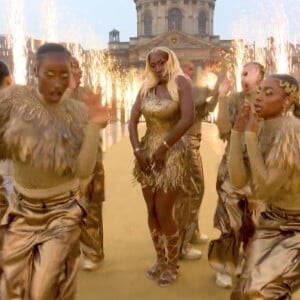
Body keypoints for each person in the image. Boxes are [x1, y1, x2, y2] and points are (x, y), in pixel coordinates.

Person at [0, 43, 112, 299]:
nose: (58, 82)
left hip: (62, 213)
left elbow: (83, 170)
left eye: (64, 74)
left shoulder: (77, 112)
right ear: (35, 70)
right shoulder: (16, 102)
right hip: (21, 211)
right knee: (10, 290)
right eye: (49, 74)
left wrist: (94, 125)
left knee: (42, 290)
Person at [228, 74, 300, 299]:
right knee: (242, 289)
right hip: (272, 220)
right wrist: (237, 133)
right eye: (260, 91)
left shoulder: (292, 130)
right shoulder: (261, 126)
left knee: (260, 291)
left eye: (269, 93)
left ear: (287, 101)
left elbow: (264, 189)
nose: (259, 97)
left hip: (296, 228)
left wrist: (249, 136)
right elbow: (239, 181)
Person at [128, 46, 194, 287]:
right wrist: (137, 151)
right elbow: (132, 120)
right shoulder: (146, 87)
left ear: (170, 61)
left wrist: (164, 147)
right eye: (153, 64)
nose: (157, 68)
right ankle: (160, 258)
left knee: (165, 211)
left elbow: (187, 118)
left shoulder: (181, 83)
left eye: (161, 63)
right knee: (151, 211)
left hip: (172, 153)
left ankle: (173, 264)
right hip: (147, 153)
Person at [208, 62, 265, 288]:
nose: (242, 77)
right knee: (229, 221)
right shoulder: (234, 100)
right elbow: (222, 129)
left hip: (259, 172)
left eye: (247, 73)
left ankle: (247, 262)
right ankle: (222, 265)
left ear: (260, 76)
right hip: (232, 169)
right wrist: (222, 97)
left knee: (256, 221)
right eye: (241, 72)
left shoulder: (270, 100)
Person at [179, 60, 222, 260]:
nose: (190, 72)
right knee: (192, 192)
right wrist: (219, 81)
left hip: (193, 145)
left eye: (191, 69)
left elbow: (206, 109)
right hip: (186, 146)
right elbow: (202, 98)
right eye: (186, 69)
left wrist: (218, 91)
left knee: (195, 190)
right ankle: (182, 243)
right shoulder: (183, 91)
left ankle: (192, 231)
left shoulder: (191, 93)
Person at [70, 56, 105, 271]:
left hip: (92, 160)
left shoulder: (87, 93)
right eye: (74, 67)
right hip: (65, 165)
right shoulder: (52, 97)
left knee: (92, 208)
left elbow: (102, 121)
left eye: (79, 67)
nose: (79, 71)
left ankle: (93, 252)